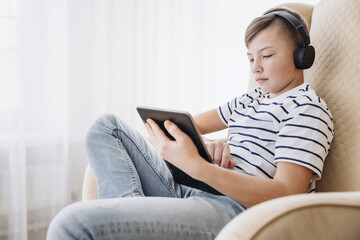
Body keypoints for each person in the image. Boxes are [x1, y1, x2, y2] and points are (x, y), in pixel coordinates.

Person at [47, 7, 334, 240]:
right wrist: (208, 145)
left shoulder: (307, 110)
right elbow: (188, 124)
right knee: (105, 127)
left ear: (301, 56)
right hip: (193, 187)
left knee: (71, 223)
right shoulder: (252, 99)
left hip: (231, 209)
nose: (256, 67)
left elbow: (287, 194)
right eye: (250, 58)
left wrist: (199, 167)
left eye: (267, 56)